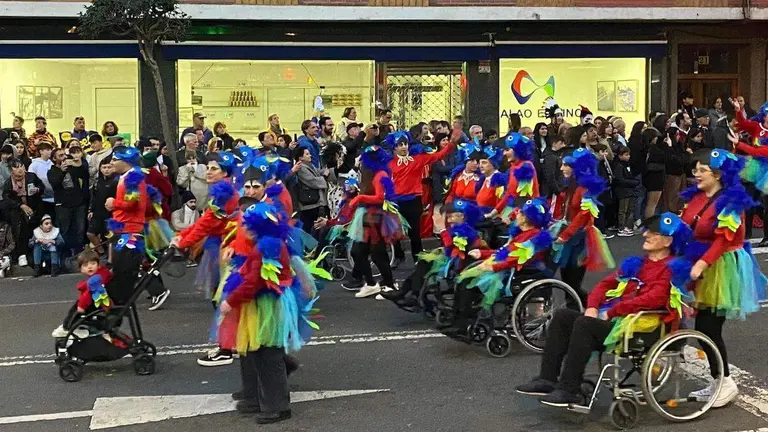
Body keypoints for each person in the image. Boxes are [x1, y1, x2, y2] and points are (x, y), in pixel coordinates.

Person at [516, 213, 691, 406]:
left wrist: (611, 312)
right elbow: (603, 285)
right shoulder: (638, 263)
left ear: (667, 240)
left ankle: (569, 389)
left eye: (654, 233)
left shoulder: (673, 268)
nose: (645, 234)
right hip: (618, 320)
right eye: (647, 230)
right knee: (563, 316)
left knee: (584, 325)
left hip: (641, 327)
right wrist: (592, 307)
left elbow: (653, 299)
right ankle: (547, 379)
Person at [216, 202, 317, 424]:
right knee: (260, 350)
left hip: (268, 303)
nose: (246, 231)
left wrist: (230, 301)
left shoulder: (267, 246)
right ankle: (263, 393)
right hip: (262, 301)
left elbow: (256, 281)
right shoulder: (265, 243)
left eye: (251, 226)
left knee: (267, 355)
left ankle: (278, 407)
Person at [681, 148, 767, 407]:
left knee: (708, 328)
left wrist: (702, 263)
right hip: (697, 262)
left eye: (702, 170)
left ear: (717, 175)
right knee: (702, 328)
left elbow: (724, 239)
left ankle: (726, 382)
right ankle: (718, 379)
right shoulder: (695, 197)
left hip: (720, 268)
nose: (696, 174)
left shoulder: (731, 201)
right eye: (695, 169)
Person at [447, 197, 553, 337]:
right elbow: (504, 252)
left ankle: (464, 323)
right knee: (464, 278)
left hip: (518, 273)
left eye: (520, 213)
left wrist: (493, 267)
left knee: (468, 283)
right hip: (509, 268)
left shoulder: (535, 238)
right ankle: (458, 320)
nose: (517, 215)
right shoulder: (523, 234)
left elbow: (515, 259)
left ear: (527, 218)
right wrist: (482, 253)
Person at [172, 152, 239, 367]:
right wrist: (183, 236)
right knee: (221, 295)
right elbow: (205, 222)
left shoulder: (223, 192)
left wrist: (183, 242)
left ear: (225, 172)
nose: (208, 171)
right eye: (207, 167)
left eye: (214, 168)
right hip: (220, 243)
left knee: (223, 297)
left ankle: (227, 347)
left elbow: (207, 223)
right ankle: (233, 343)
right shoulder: (221, 189)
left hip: (225, 247)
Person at [106, 146, 171, 308]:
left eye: (115, 159)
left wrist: (113, 203)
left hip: (130, 229)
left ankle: (154, 291)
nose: (111, 162)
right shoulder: (126, 176)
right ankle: (124, 297)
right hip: (124, 228)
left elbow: (133, 203)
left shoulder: (132, 178)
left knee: (129, 266)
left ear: (125, 161)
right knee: (128, 264)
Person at [551, 148, 615, 305]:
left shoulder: (585, 189)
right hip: (568, 236)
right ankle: (574, 310)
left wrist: (565, 235)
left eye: (566, 165)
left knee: (573, 283)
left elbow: (584, 215)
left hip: (580, 239)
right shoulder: (570, 186)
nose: (561, 168)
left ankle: (589, 307)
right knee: (566, 281)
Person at [387, 130, 458, 268]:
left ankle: (417, 258)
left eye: (405, 144)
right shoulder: (390, 164)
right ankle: (399, 256)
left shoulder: (418, 159)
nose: (403, 147)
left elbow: (438, 155)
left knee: (414, 232)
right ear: (394, 147)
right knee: (393, 231)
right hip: (395, 202)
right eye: (400, 144)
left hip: (413, 200)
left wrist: (452, 143)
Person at [346, 144, 407, 298]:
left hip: (378, 217)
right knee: (357, 252)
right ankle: (371, 284)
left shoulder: (380, 175)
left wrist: (360, 197)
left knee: (377, 253)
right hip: (366, 215)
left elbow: (380, 198)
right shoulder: (368, 174)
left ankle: (389, 284)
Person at [51, 251, 113, 338]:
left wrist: (81, 306)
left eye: (93, 263)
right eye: (86, 265)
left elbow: (89, 294)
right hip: (104, 299)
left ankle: (67, 327)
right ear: (81, 269)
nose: (90, 267)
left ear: (98, 265)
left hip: (101, 302)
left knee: (76, 308)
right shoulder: (102, 273)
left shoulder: (95, 279)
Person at [487, 133, 540, 221]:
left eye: (507, 150)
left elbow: (524, 199)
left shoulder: (525, 167)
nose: (504, 153)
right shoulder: (513, 167)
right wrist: (494, 212)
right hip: (515, 212)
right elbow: (509, 194)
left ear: (517, 150)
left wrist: (511, 217)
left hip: (526, 215)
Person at [48, 148, 89, 257]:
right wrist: (62, 171)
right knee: (64, 230)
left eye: (65, 155)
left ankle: (79, 252)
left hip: (78, 203)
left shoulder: (72, 167)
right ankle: (65, 254)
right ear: (54, 158)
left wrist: (78, 162)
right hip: (63, 205)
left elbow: (85, 175)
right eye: (60, 156)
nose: (64, 157)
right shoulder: (51, 171)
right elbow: (55, 184)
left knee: (80, 229)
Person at [3, 159, 44, 267]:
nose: (20, 169)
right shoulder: (8, 182)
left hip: (34, 207)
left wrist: (37, 190)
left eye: (21, 166)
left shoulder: (31, 177)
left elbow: (42, 187)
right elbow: (6, 198)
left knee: (35, 230)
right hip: (17, 210)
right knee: (20, 232)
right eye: (16, 167)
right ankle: (21, 255)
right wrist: (20, 205)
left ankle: (36, 256)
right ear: (11, 171)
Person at [293, 146, 328, 235]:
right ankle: (309, 247)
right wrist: (324, 177)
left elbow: (319, 172)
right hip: (308, 204)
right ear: (300, 157)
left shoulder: (309, 166)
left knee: (315, 227)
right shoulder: (301, 168)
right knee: (309, 228)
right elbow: (312, 181)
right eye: (307, 154)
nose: (310, 156)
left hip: (314, 203)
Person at [87, 157, 117, 258]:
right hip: (98, 212)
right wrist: (91, 210)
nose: (107, 169)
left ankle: (111, 259)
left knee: (110, 237)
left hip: (111, 214)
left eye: (109, 167)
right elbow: (94, 198)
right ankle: (101, 251)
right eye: (104, 167)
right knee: (90, 233)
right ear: (100, 169)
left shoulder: (117, 181)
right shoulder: (97, 182)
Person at [612, 146, 639, 237]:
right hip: (623, 191)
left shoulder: (627, 165)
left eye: (629, 155)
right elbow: (620, 179)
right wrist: (633, 182)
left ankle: (626, 226)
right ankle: (621, 227)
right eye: (626, 155)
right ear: (620, 156)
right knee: (623, 210)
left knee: (629, 209)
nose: (628, 156)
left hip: (629, 190)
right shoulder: (619, 166)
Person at [28, 141, 56, 218]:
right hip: (41, 199)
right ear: (41, 151)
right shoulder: (34, 164)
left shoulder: (52, 163)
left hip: (54, 198)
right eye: (47, 150)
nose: (50, 151)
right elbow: (31, 181)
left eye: (51, 149)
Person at [642, 127, 665, 218]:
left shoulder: (645, 149)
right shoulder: (654, 150)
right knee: (652, 204)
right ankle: (649, 225)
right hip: (656, 179)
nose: (657, 138)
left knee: (650, 204)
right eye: (655, 137)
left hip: (649, 178)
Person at [540, 135, 566, 200]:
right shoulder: (550, 157)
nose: (563, 145)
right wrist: (557, 190)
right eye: (561, 143)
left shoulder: (555, 155)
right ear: (554, 144)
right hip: (551, 193)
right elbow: (550, 176)